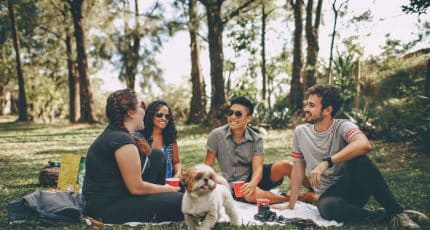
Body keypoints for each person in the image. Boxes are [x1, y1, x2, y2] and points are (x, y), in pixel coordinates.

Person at [276, 84, 428, 229]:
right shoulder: (301, 132)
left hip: (353, 187)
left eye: (311, 105)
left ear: (328, 110)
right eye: (307, 104)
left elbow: (364, 144)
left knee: (359, 159)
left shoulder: (343, 126)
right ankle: (388, 216)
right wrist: (291, 203)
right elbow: (298, 168)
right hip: (329, 196)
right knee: (327, 208)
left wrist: (327, 162)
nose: (306, 109)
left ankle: (396, 212)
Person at [82, 89, 183, 224]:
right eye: (142, 106)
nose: (145, 111)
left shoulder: (117, 133)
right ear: (130, 112)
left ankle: (162, 198)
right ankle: (165, 198)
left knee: (157, 155)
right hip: (108, 208)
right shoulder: (121, 140)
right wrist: (167, 189)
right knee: (183, 202)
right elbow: (136, 188)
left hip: (120, 195)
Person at [204, 96, 317, 204]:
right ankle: (296, 198)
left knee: (286, 165)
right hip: (234, 185)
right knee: (251, 194)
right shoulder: (216, 135)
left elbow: (258, 168)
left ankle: (315, 189)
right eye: (230, 113)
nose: (232, 117)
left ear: (248, 118)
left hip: (255, 176)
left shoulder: (256, 138)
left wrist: (253, 183)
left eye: (238, 114)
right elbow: (208, 165)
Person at [137, 100, 182, 179]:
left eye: (167, 116)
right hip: (145, 183)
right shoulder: (139, 137)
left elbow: (176, 162)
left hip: (166, 183)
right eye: (159, 115)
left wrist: (178, 173)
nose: (164, 118)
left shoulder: (170, 139)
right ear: (151, 116)